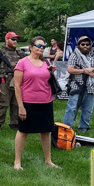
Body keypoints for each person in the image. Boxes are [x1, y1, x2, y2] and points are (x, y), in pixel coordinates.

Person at [14, 37, 59, 170]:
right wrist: (21, 106)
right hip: (28, 102)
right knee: (23, 131)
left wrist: (51, 72)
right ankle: (17, 162)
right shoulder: (22, 63)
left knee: (46, 131)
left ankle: (48, 160)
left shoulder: (46, 62)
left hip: (46, 101)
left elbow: (46, 80)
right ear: (31, 47)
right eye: (38, 45)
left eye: (43, 46)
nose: (41, 48)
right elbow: (17, 86)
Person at [62, 36, 94, 132]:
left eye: (87, 44)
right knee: (72, 108)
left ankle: (83, 128)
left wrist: (93, 70)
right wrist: (84, 71)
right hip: (77, 86)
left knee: (88, 110)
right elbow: (70, 69)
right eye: (83, 44)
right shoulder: (74, 55)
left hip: (92, 87)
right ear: (79, 45)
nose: (85, 46)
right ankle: (66, 129)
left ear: (90, 46)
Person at [0, 32, 25, 131]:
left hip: (17, 81)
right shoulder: (0, 53)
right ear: (6, 40)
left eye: (16, 39)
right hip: (5, 81)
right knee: (3, 103)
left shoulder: (19, 52)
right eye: (13, 39)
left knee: (16, 103)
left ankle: (15, 124)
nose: (15, 41)